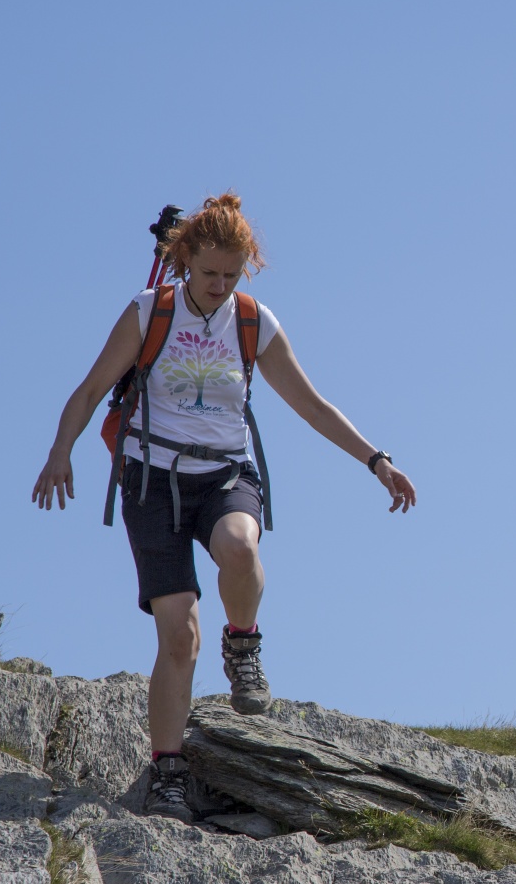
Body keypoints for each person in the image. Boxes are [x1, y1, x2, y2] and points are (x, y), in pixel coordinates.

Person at [31, 192, 415, 822]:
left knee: (240, 546)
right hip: (151, 478)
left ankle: (243, 648)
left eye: (231, 275)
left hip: (225, 474)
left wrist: (378, 461)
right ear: (185, 260)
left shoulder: (252, 321)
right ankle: (169, 771)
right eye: (208, 272)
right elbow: (92, 387)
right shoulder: (149, 313)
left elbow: (313, 405)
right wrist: (59, 452)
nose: (218, 285)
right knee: (178, 635)